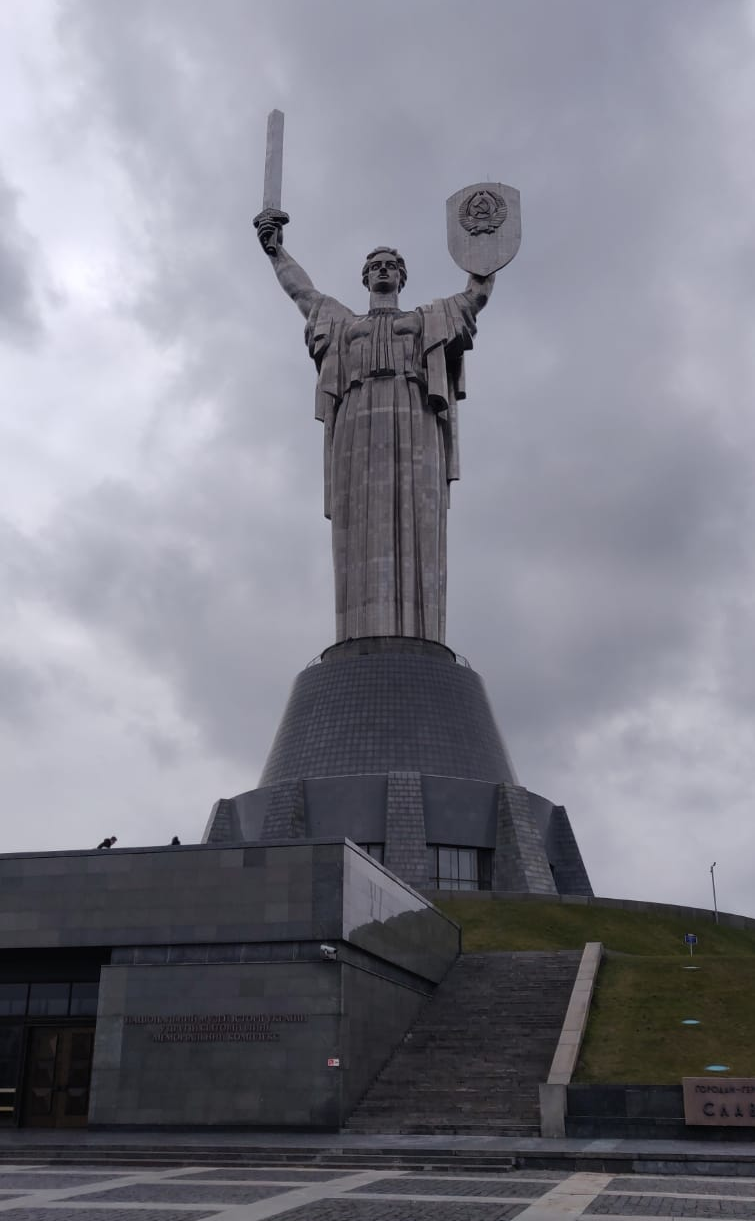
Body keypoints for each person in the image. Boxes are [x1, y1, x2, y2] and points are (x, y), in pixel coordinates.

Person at [255, 214, 495, 644]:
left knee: (417, 511)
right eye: (375, 266)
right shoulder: (345, 325)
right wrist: (277, 252)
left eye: (391, 266)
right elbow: (301, 292)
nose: (383, 270)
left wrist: (486, 252)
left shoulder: (427, 318)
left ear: (402, 278)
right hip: (357, 420)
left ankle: (419, 635)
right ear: (365, 278)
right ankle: (359, 635)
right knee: (358, 517)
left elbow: (474, 296)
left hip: (413, 412)